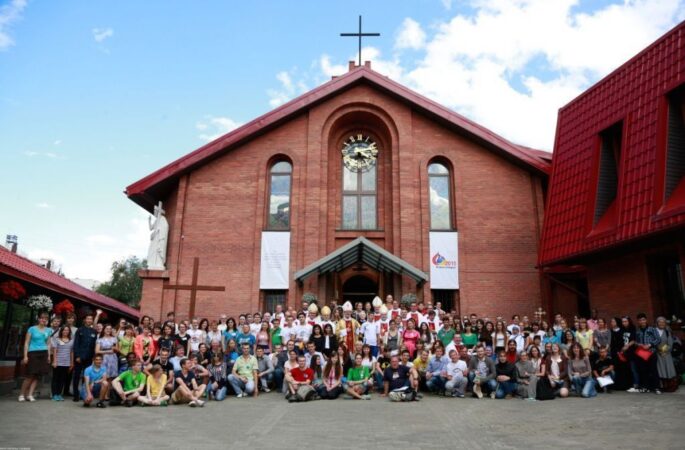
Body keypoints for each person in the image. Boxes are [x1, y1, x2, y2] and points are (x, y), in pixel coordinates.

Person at [19, 312, 52, 402]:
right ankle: (21, 394)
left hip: (44, 353)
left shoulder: (48, 330)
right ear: (39, 319)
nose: (43, 320)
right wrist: (25, 356)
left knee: (37, 376)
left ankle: (30, 395)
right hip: (33, 353)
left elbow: (48, 344)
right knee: (30, 375)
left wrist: (49, 356)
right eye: (42, 318)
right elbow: (26, 343)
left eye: (45, 318)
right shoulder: (32, 329)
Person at [72, 312, 99, 402]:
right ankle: (76, 395)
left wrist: (93, 357)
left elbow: (94, 345)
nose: (89, 320)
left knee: (86, 377)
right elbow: (76, 344)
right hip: (79, 357)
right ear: (84, 320)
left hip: (89, 357)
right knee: (76, 376)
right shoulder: (79, 330)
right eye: (88, 319)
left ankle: (84, 394)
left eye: (91, 319)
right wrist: (77, 356)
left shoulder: (94, 332)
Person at [633, 312, 661, 394]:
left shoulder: (652, 329)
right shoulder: (637, 331)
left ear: (646, 320)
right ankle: (646, 387)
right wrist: (639, 344)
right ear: (638, 321)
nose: (642, 321)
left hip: (651, 352)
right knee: (643, 370)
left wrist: (650, 345)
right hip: (642, 353)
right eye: (640, 320)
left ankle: (656, 387)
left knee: (653, 370)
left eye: (643, 320)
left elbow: (658, 339)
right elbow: (635, 342)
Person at [50, 325, 74, 401]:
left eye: (67, 330)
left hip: (66, 362)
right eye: (64, 330)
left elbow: (71, 352)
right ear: (61, 331)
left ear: (69, 332)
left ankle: (59, 394)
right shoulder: (57, 339)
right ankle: (54, 394)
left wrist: (71, 363)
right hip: (58, 362)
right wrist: (54, 361)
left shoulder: (71, 340)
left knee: (62, 379)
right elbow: (55, 351)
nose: (66, 331)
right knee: (55, 379)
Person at [654, 316, 677, 390]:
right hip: (657, 354)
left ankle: (671, 386)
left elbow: (670, 343)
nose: (661, 323)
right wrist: (658, 350)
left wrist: (663, 351)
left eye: (663, 322)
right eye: (660, 322)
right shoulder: (654, 331)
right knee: (660, 370)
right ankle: (662, 386)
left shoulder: (667, 332)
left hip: (666, 354)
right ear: (657, 323)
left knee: (668, 369)